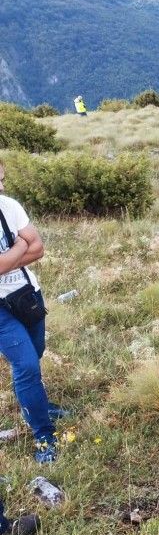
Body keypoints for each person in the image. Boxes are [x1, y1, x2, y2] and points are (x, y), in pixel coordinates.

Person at [0, 160, 60, 463]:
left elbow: (39, 248)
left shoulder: (8, 205)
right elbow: (26, 247)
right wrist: (19, 248)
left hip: (26, 295)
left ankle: (39, 404)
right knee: (26, 365)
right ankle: (43, 435)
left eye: (1, 179)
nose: (0, 187)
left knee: (35, 352)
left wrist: (13, 256)